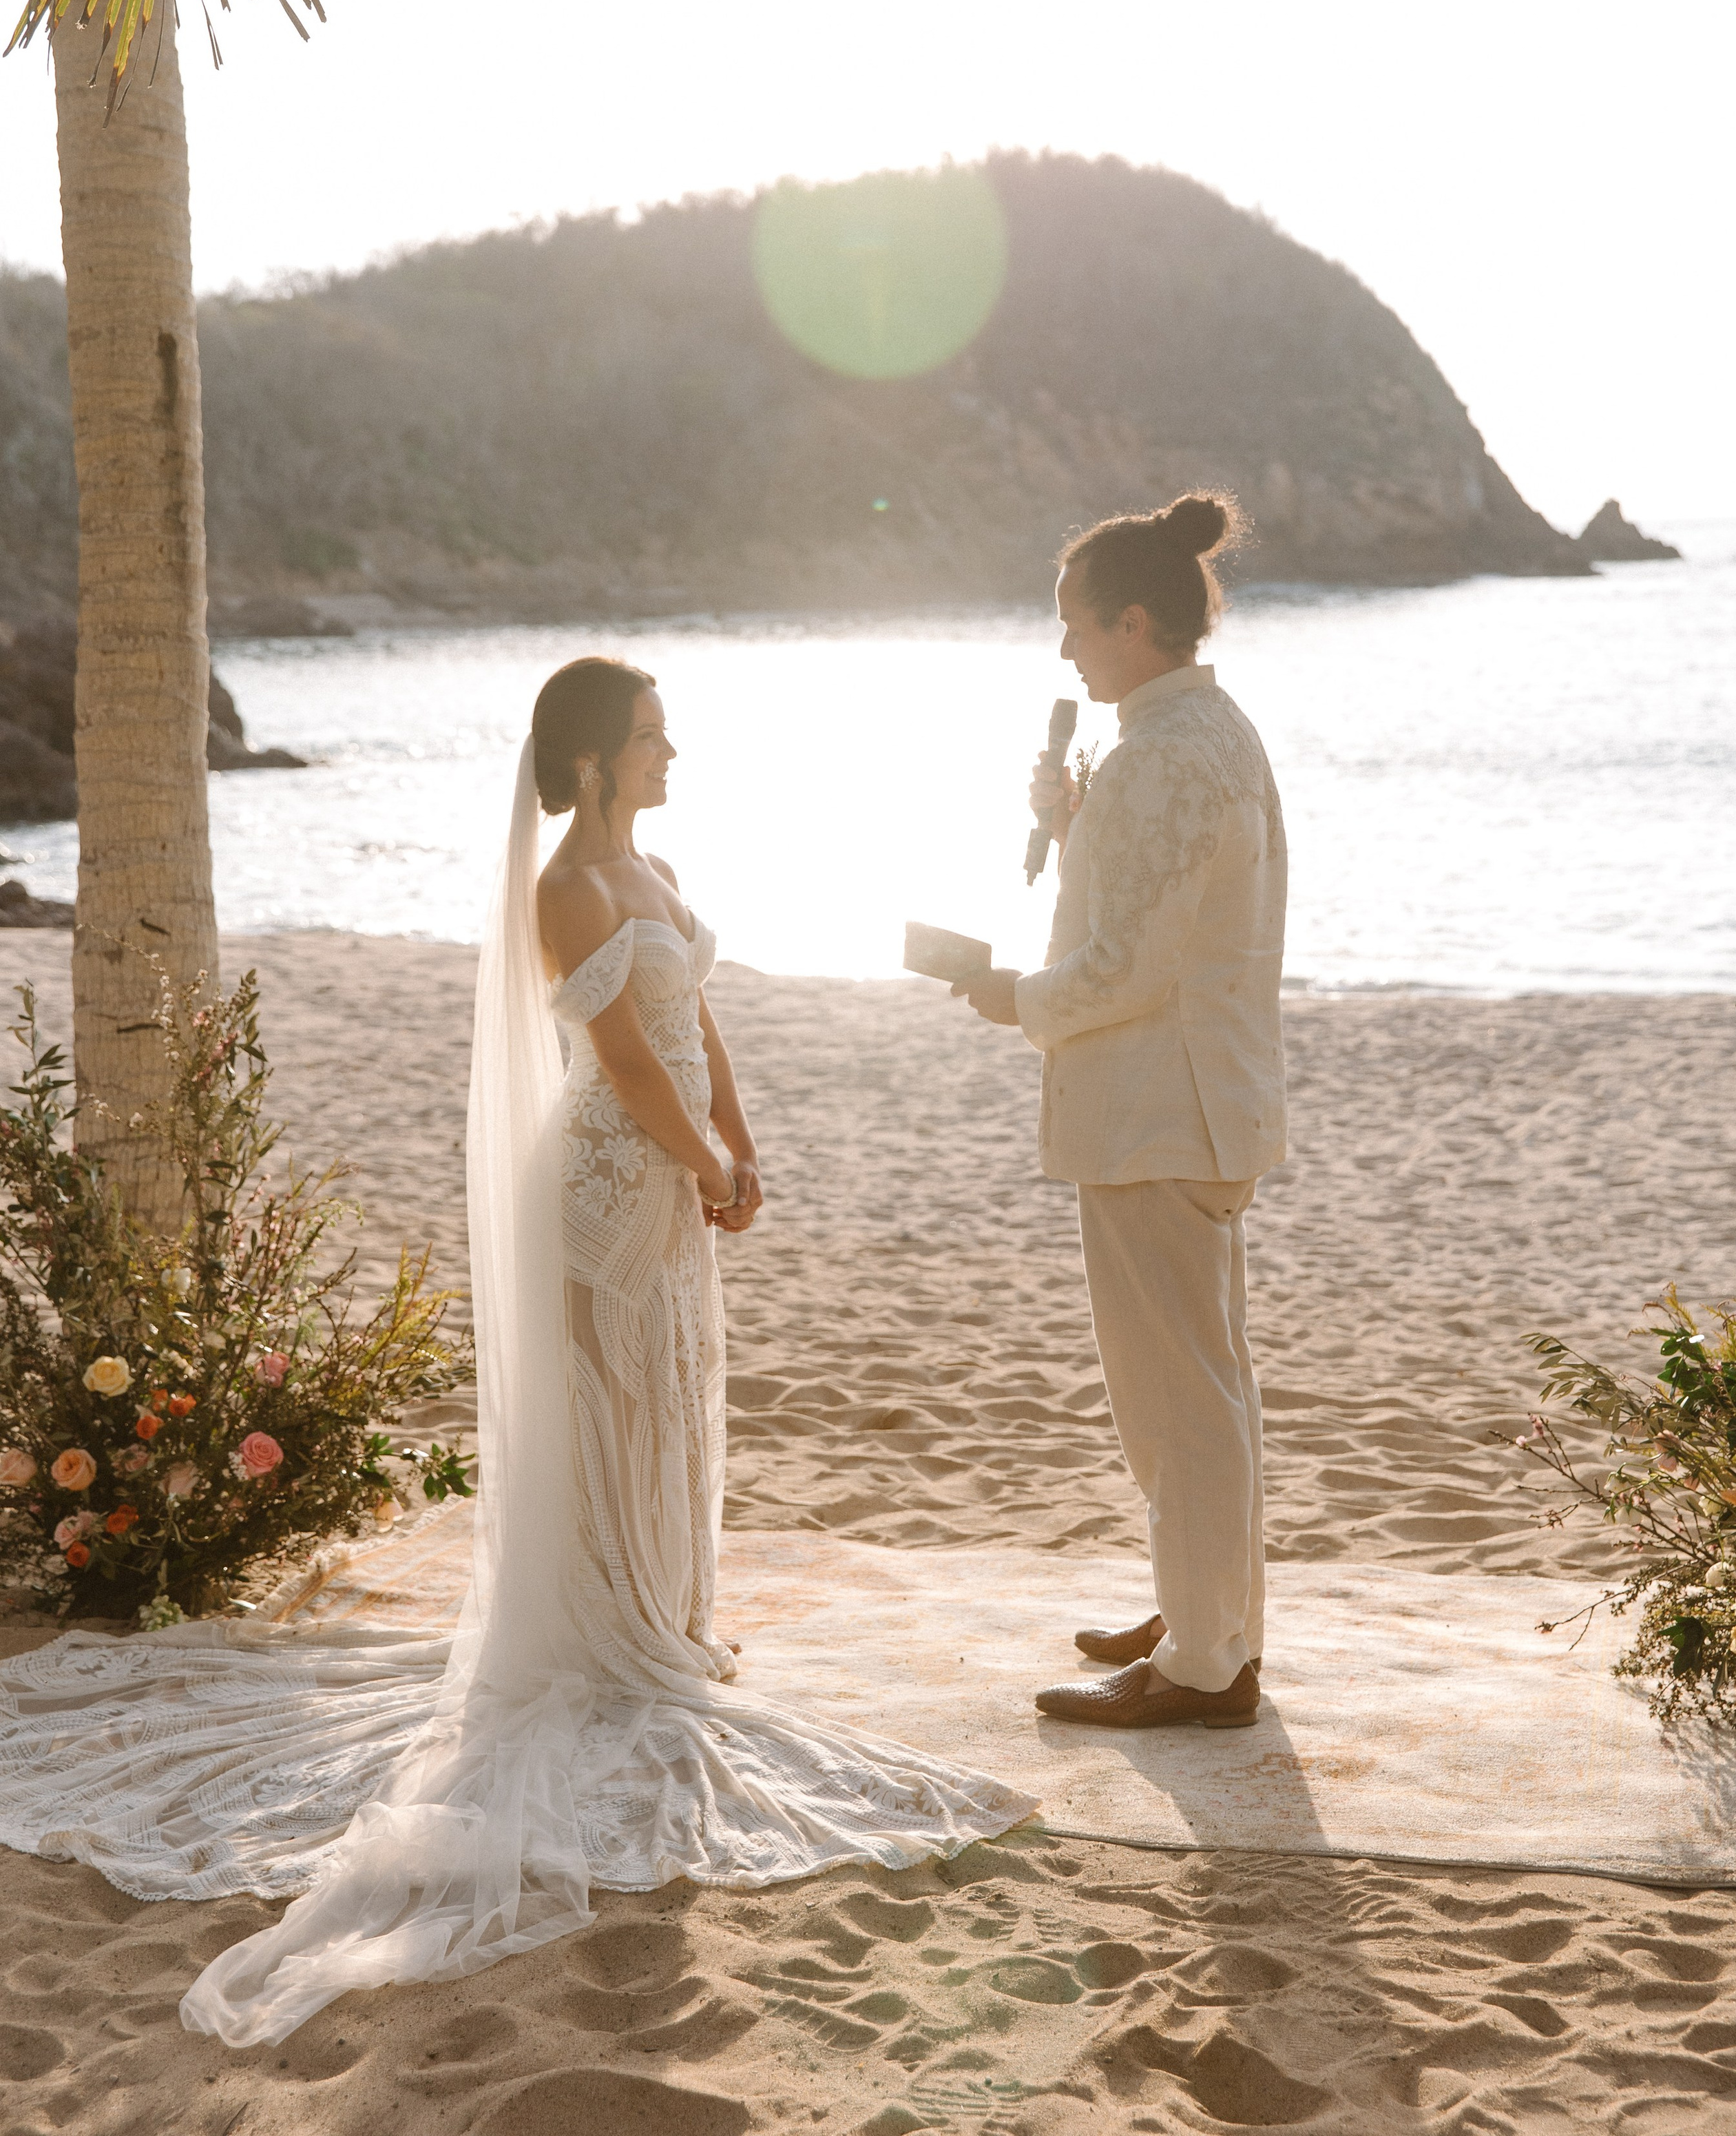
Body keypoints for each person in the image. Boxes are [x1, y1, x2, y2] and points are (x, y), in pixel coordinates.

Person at [0, 657, 1030, 2046]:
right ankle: (608, 1636)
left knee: (663, 1399)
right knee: (611, 1408)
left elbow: (698, 1022)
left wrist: (744, 1141)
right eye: (656, 737)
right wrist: (705, 1153)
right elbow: (626, 1060)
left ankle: (658, 1620)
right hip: (604, 1186)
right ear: (597, 756)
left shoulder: (654, 863)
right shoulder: (566, 889)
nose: (677, 754)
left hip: (668, 1175)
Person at [953, 497, 1287, 1730]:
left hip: (1159, 1110)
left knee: (1176, 1403)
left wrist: (1008, 998)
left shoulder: (1160, 755)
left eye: (1075, 627)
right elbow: (1170, 917)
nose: (1065, 654)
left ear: (1134, 622)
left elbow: (1121, 972)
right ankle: (1212, 1616)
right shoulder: (1207, 730)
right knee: (1212, 1386)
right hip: (1203, 1102)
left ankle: (1204, 1664)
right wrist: (1071, 824)